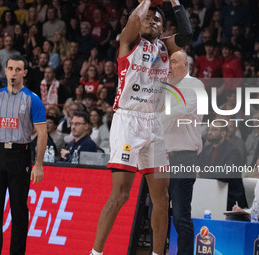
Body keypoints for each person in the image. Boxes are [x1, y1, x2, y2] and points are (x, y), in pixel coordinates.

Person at [91, 0, 192, 254]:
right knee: (121, 194)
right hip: (128, 120)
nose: (153, 22)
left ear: (162, 29)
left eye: (158, 20)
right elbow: (132, 23)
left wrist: (175, 3)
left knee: (162, 197)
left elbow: (187, 34)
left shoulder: (165, 47)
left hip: (154, 123)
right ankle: (95, 252)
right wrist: (146, 2)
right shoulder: (129, 41)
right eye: (148, 18)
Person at [0, 55, 47, 255]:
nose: (14, 73)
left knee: (19, 210)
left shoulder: (33, 99)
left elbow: (42, 133)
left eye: (18, 69)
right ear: (5, 71)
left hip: (19, 156)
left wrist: (38, 164)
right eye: (10, 68)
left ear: (24, 73)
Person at [161, 50, 204, 255]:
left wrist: (156, 116)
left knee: (180, 214)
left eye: (174, 62)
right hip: (161, 156)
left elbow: (181, 109)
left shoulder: (194, 85)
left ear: (186, 65)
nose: (169, 66)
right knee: (156, 212)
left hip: (184, 156)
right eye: (168, 62)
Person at [197, 122, 248, 211]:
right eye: (209, 129)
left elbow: (226, 174)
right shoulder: (206, 150)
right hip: (210, 195)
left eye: (214, 130)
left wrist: (201, 173)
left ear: (223, 133)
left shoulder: (233, 151)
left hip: (230, 199)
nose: (209, 132)